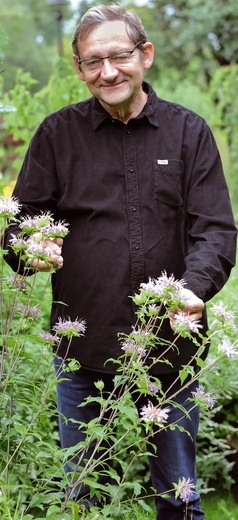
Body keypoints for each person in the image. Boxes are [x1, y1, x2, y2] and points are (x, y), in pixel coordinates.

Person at [4, 4, 237, 519]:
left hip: (169, 346)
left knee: (180, 500)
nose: (107, 71)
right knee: (83, 499)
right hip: (82, 349)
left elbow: (215, 229)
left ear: (145, 55)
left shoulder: (188, 133)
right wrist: (31, 247)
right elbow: (20, 223)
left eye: (119, 56)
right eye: (92, 61)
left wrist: (195, 289)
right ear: (78, 68)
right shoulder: (56, 135)